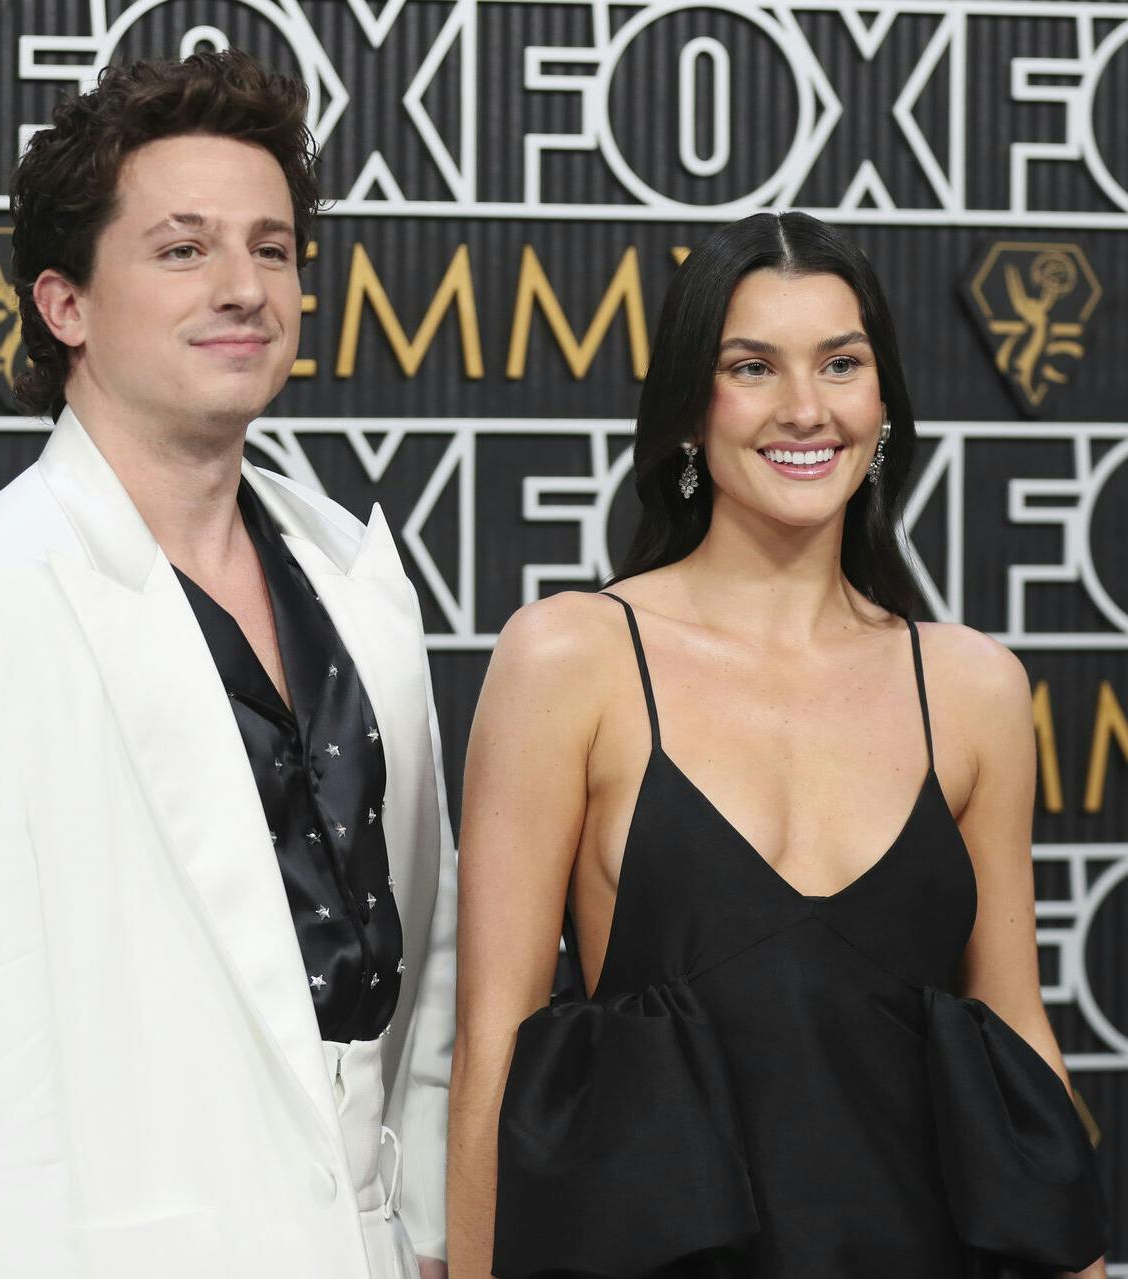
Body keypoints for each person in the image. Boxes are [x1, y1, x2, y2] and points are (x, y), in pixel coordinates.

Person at [0, 51, 454, 1279]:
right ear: (62, 304)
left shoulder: (360, 579)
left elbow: (426, 972)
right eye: (183, 250)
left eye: (272, 249)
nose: (244, 288)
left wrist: (434, 1242)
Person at [447, 212, 1107, 1278]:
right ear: (688, 408)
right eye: (752, 366)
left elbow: (1017, 1033)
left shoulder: (973, 686)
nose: (806, 409)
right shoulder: (572, 657)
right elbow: (493, 1046)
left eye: (840, 364)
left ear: (882, 401)